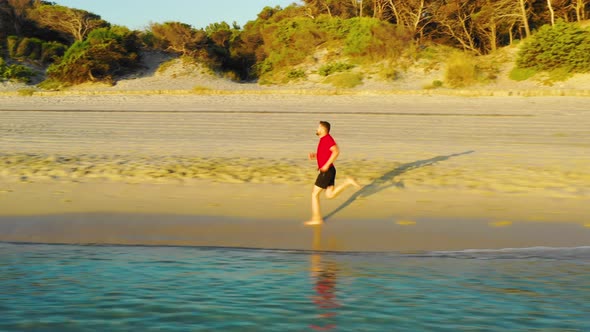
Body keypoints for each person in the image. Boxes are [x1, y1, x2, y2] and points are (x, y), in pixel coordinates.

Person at [305, 121, 360, 226]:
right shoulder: (324, 139)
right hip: (330, 171)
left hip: (327, 171)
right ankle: (347, 182)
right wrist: (315, 156)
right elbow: (325, 153)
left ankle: (317, 219)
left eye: (318, 127)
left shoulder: (327, 139)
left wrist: (326, 165)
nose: (317, 129)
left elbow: (336, 151)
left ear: (323, 129)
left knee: (314, 194)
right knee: (330, 195)